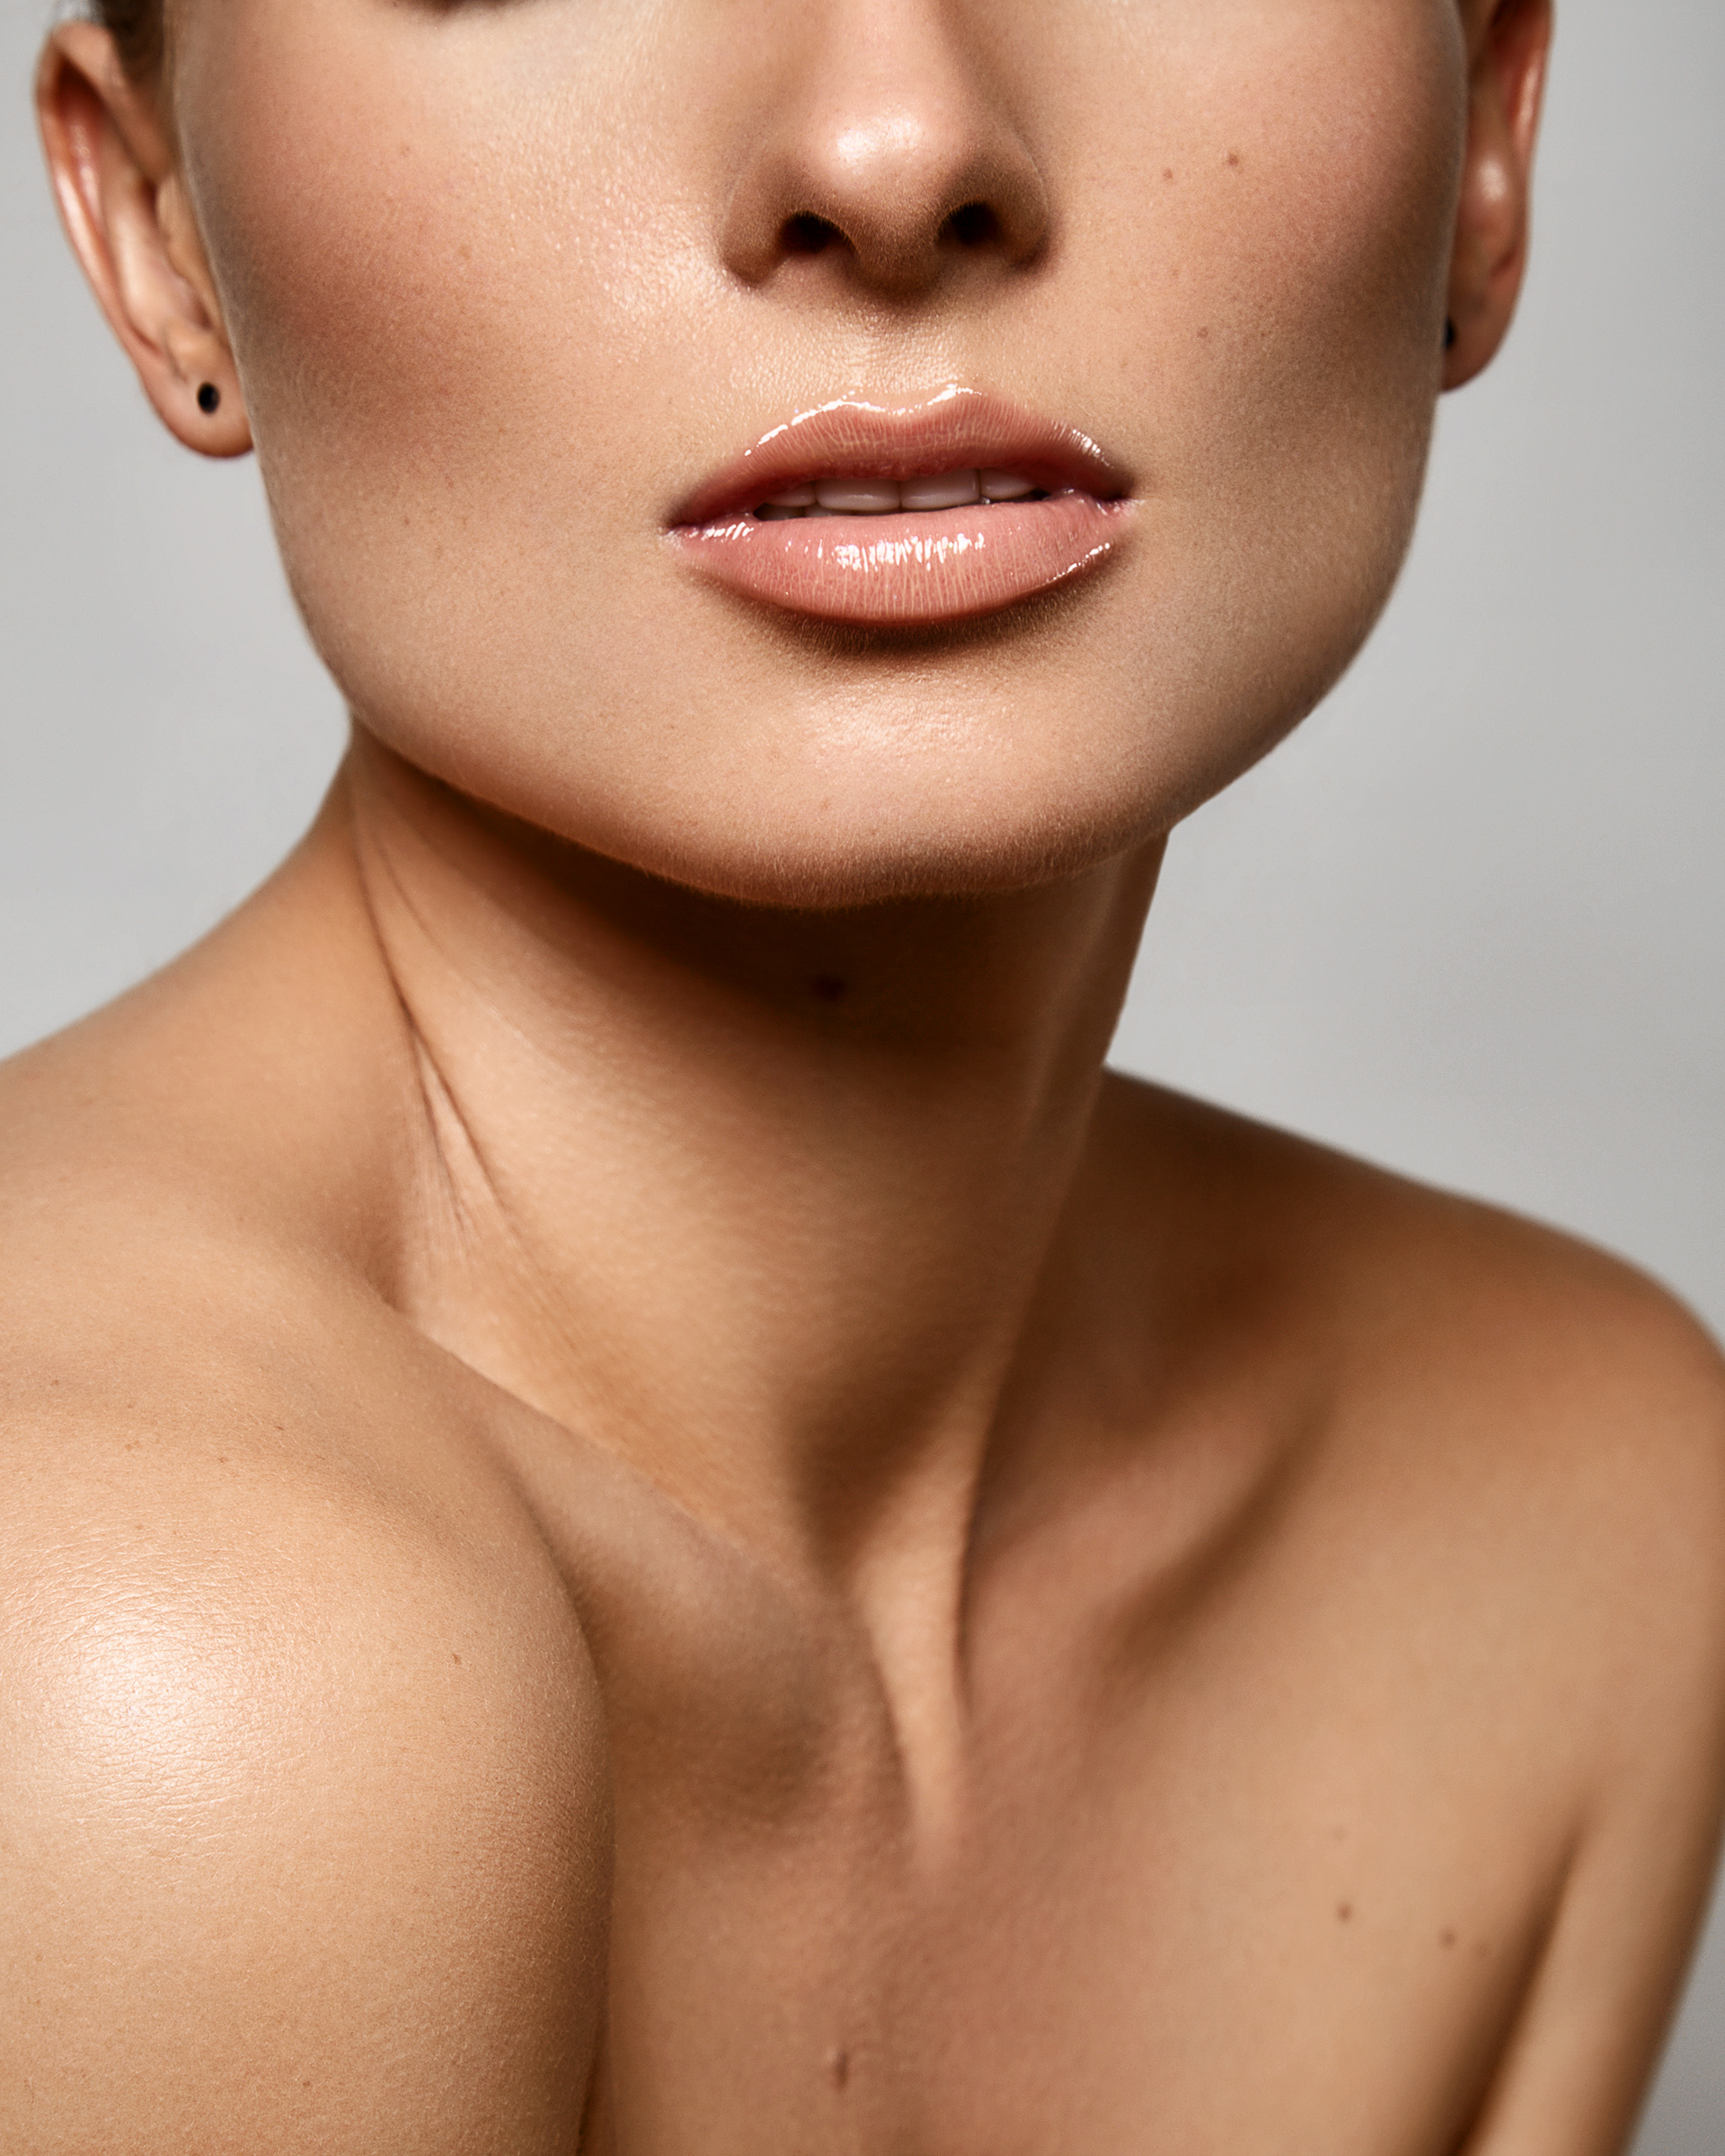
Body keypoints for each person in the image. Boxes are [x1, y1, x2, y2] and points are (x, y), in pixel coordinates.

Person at [4, 0, 1722, 2147]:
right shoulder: (136, 1660)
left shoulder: (1574, 1525)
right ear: (159, 222)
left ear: (1484, 132)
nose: (898, 151)